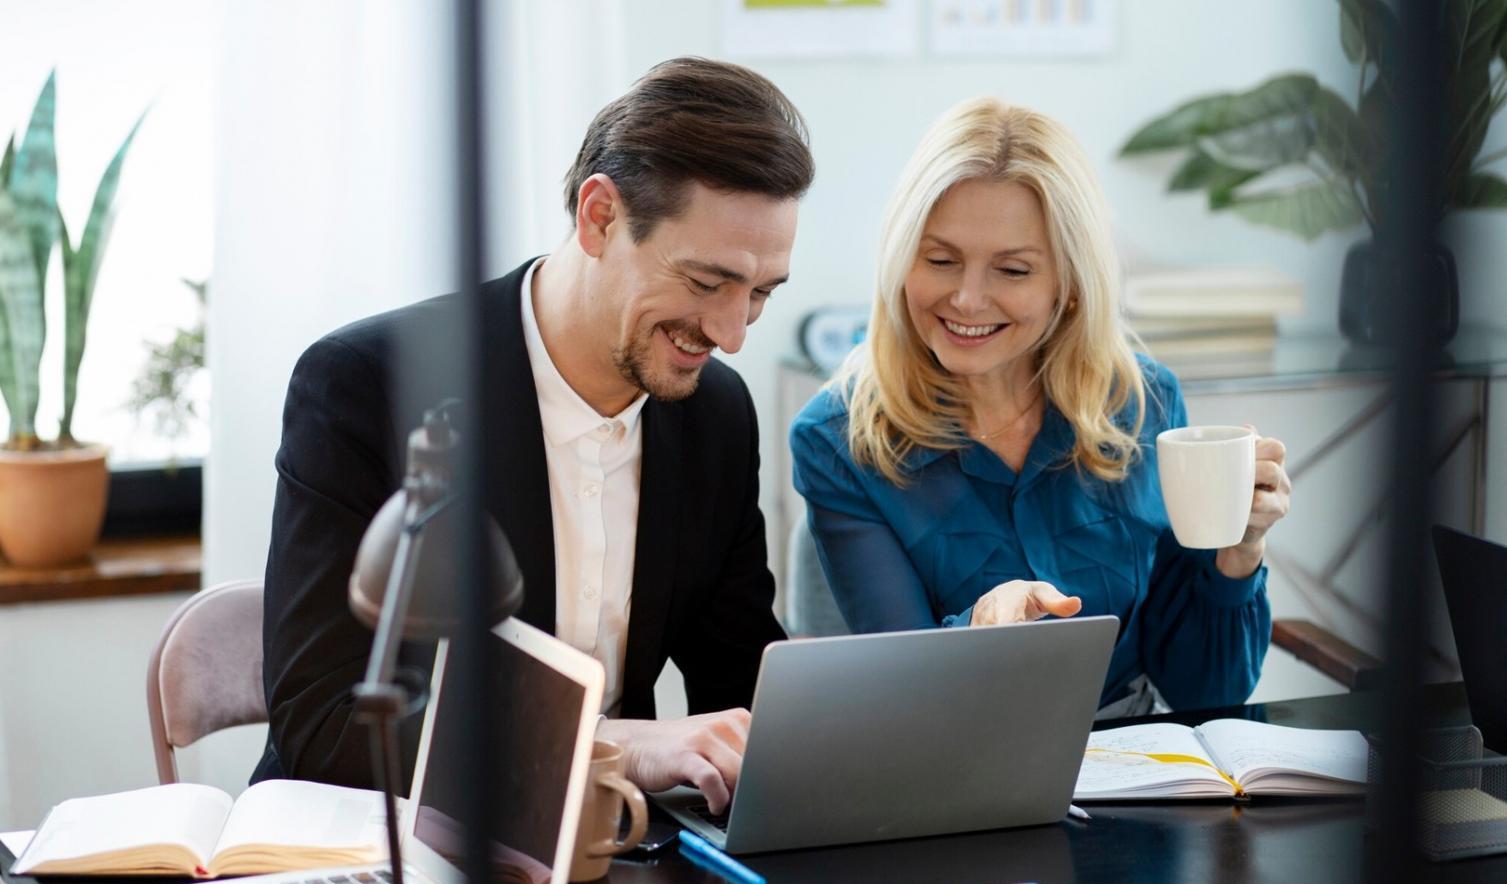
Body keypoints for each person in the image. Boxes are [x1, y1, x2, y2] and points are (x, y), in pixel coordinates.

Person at [254, 57, 815, 812]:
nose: (729, 332)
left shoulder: (714, 412)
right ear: (599, 217)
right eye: (706, 283)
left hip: (606, 852)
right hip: (382, 848)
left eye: (759, 294)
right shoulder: (365, 386)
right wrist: (619, 745)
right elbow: (325, 726)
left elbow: (741, 680)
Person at [789, 98, 1291, 715]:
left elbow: (1206, 693)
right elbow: (907, 697)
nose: (968, 299)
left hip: (1135, 764)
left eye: (1013, 270)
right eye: (940, 261)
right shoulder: (838, 439)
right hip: (960, 769)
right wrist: (979, 627)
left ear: (1071, 286)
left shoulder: (1143, 402)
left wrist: (1238, 554)